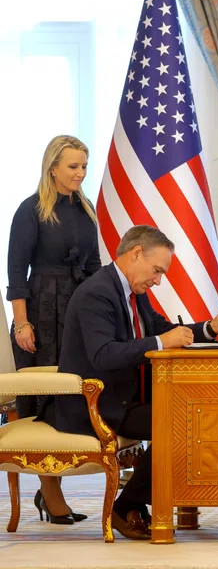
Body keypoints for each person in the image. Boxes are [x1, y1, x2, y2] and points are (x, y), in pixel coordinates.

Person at [43, 225, 218, 540]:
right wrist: (160, 341)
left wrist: (210, 328)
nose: (158, 280)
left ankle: (132, 503)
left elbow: (162, 329)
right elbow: (103, 355)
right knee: (181, 424)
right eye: (157, 270)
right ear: (136, 254)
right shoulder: (96, 292)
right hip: (94, 405)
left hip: (124, 398)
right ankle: (128, 506)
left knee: (198, 415)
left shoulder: (133, 292)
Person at [7, 135, 101, 524]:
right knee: (45, 393)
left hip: (79, 307)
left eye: (83, 166)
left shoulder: (86, 208)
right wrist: (23, 322)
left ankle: (59, 484)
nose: (80, 173)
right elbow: (16, 272)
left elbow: (95, 266)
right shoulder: (30, 210)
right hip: (43, 309)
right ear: (53, 168)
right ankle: (49, 489)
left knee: (77, 387)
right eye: (73, 166)